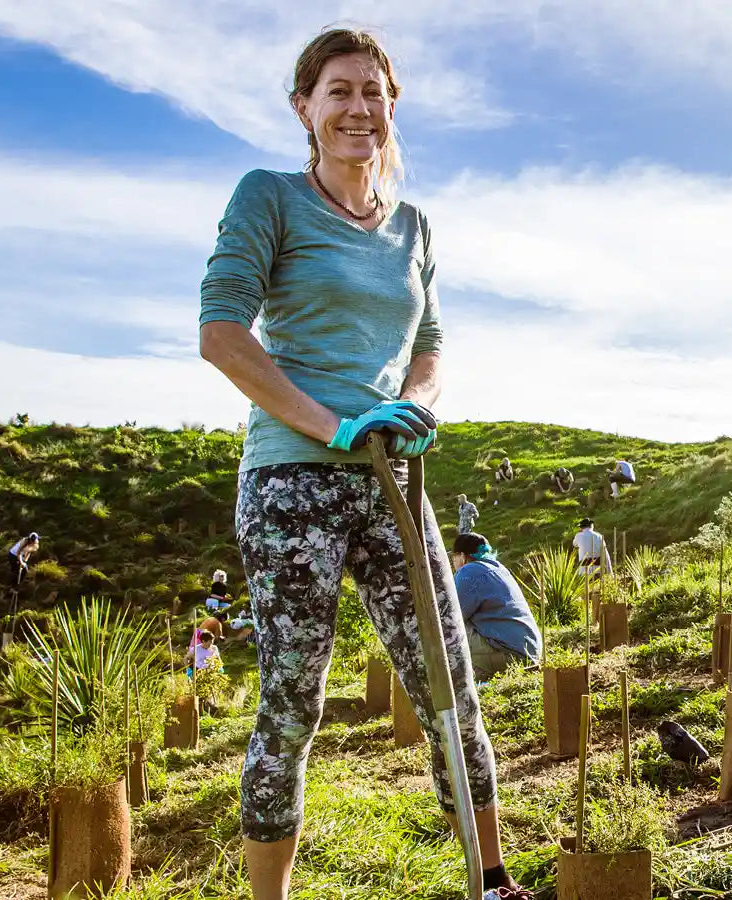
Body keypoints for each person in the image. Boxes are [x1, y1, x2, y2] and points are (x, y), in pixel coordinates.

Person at [194, 28, 530, 900]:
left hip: (394, 478)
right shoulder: (268, 197)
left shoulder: (414, 226)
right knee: (293, 704)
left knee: (450, 685)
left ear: (393, 106)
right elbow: (223, 336)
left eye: (374, 93)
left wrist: (418, 403)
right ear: (303, 107)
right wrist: (333, 428)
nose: (358, 109)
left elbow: (431, 341)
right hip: (292, 480)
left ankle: (490, 882)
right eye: (339, 91)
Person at [450, 533, 541, 680]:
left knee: (446, 627)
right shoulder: (499, 568)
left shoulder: (468, 571)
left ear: (462, 556)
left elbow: (452, 616)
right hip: (530, 651)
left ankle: (455, 679)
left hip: (509, 655)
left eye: (453, 556)